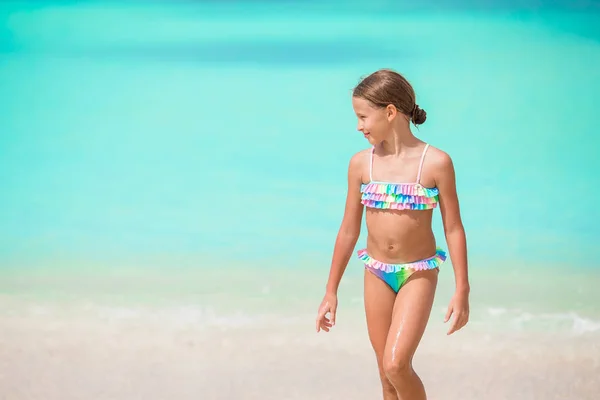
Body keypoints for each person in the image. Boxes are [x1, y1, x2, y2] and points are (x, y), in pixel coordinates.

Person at [315, 69, 470, 400]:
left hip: (418, 272)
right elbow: (348, 230)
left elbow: (453, 227)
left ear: (389, 111)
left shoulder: (436, 163)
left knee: (397, 364)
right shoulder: (362, 165)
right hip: (376, 271)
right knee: (385, 376)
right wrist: (331, 290)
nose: (358, 126)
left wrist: (462, 289)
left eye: (362, 117)